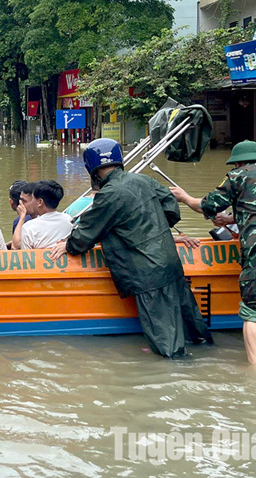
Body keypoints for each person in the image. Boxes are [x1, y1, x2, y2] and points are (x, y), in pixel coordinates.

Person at [51, 139, 213, 358]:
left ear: (92, 168)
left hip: (147, 272)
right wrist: (152, 228)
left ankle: (177, 374)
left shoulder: (109, 194)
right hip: (170, 261)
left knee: (166, 339)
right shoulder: (144, 180)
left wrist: (68, 245)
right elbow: (171, 207)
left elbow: (88, 231)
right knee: (193, 324)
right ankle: (208, 355)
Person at [169, 141, 256, 366]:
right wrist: (232, 218)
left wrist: (185, 197)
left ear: (240, 162)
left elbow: (207, 206)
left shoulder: (239, 175)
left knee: (254, 311)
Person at [17, 180, 74, 250]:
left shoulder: (29, 228)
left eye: (33, 198)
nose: (31, 202)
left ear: (40, 202)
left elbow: (26, 258)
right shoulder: (69, 220)